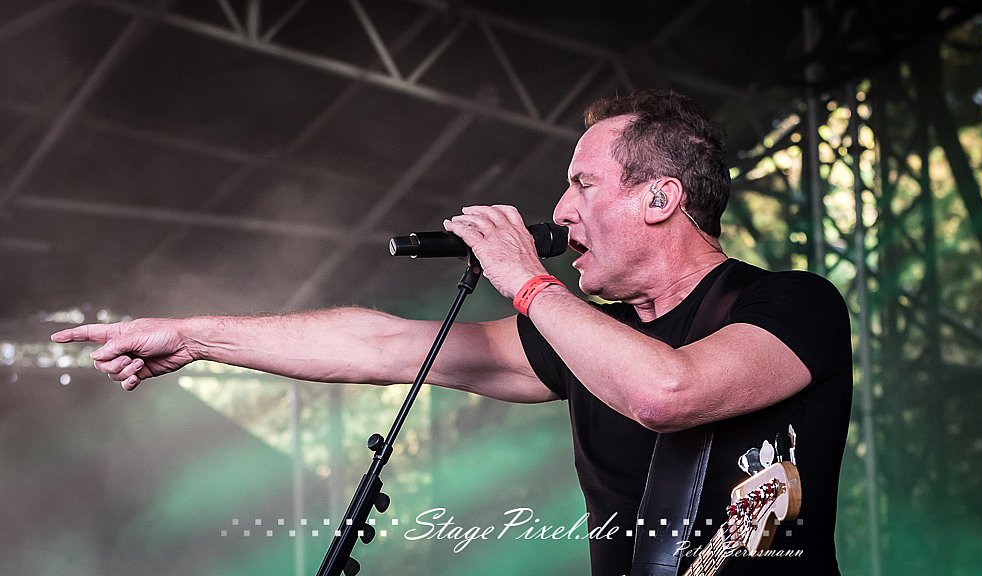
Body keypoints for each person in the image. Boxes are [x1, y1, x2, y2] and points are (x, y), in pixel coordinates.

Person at [52, 88, 851, 576]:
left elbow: (667, 392)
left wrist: (525, 278)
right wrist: (194, 336)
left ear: (659, 198)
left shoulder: (792, 306)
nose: (561, 210)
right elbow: (380, 346)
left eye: (582, 184)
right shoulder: (577, 339)